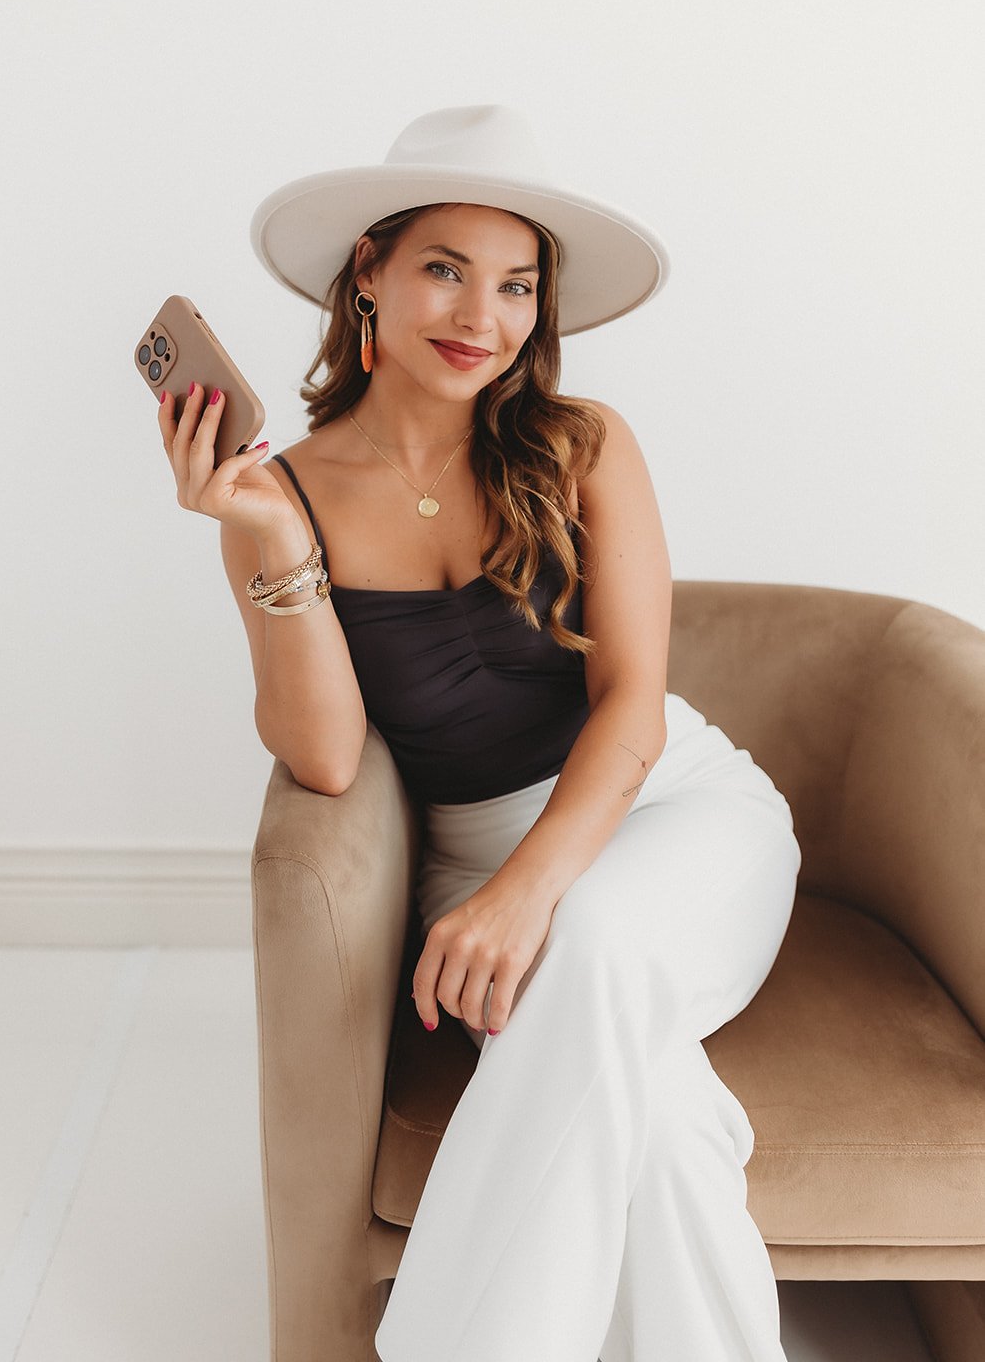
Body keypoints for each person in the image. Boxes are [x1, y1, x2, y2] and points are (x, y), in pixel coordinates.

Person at [157, 105, 802, 1362]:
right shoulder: (281, 494)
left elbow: (629, 702)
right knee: (666, 1127)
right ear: (369, 271)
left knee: (594, 938)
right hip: (471, 856)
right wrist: (273, 540)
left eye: (515, 286)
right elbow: (325, 756)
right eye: (445, 269)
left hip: (668, 809)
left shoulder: (581, 444)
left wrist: (525, 895)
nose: (481, 317)